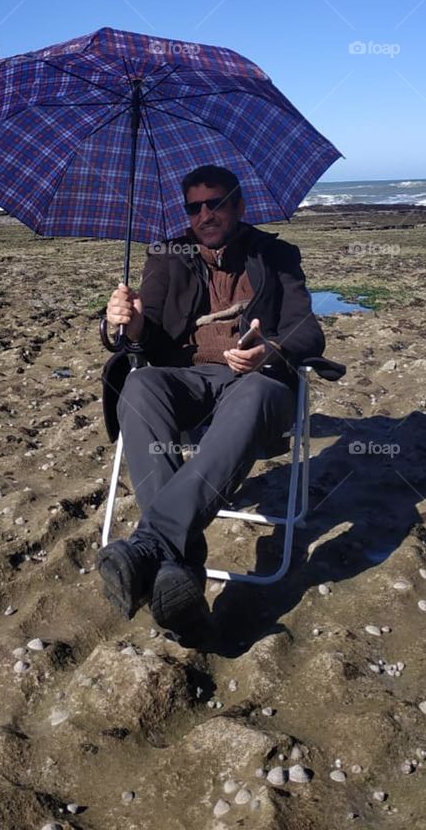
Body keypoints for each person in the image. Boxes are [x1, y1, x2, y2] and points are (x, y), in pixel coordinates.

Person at [97, 164, 328, 641]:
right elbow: (146, 335)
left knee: (259, 389)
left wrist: (270, 351)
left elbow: (309, 330)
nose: (205, 214)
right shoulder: (166, 254)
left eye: (216, 202)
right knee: (138, 387)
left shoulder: (277, 254)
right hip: (184, 380)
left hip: (254, 383)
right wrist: (125, 324)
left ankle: (152, 547)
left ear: (239, 205)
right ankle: (179, 567)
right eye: (194, 206)